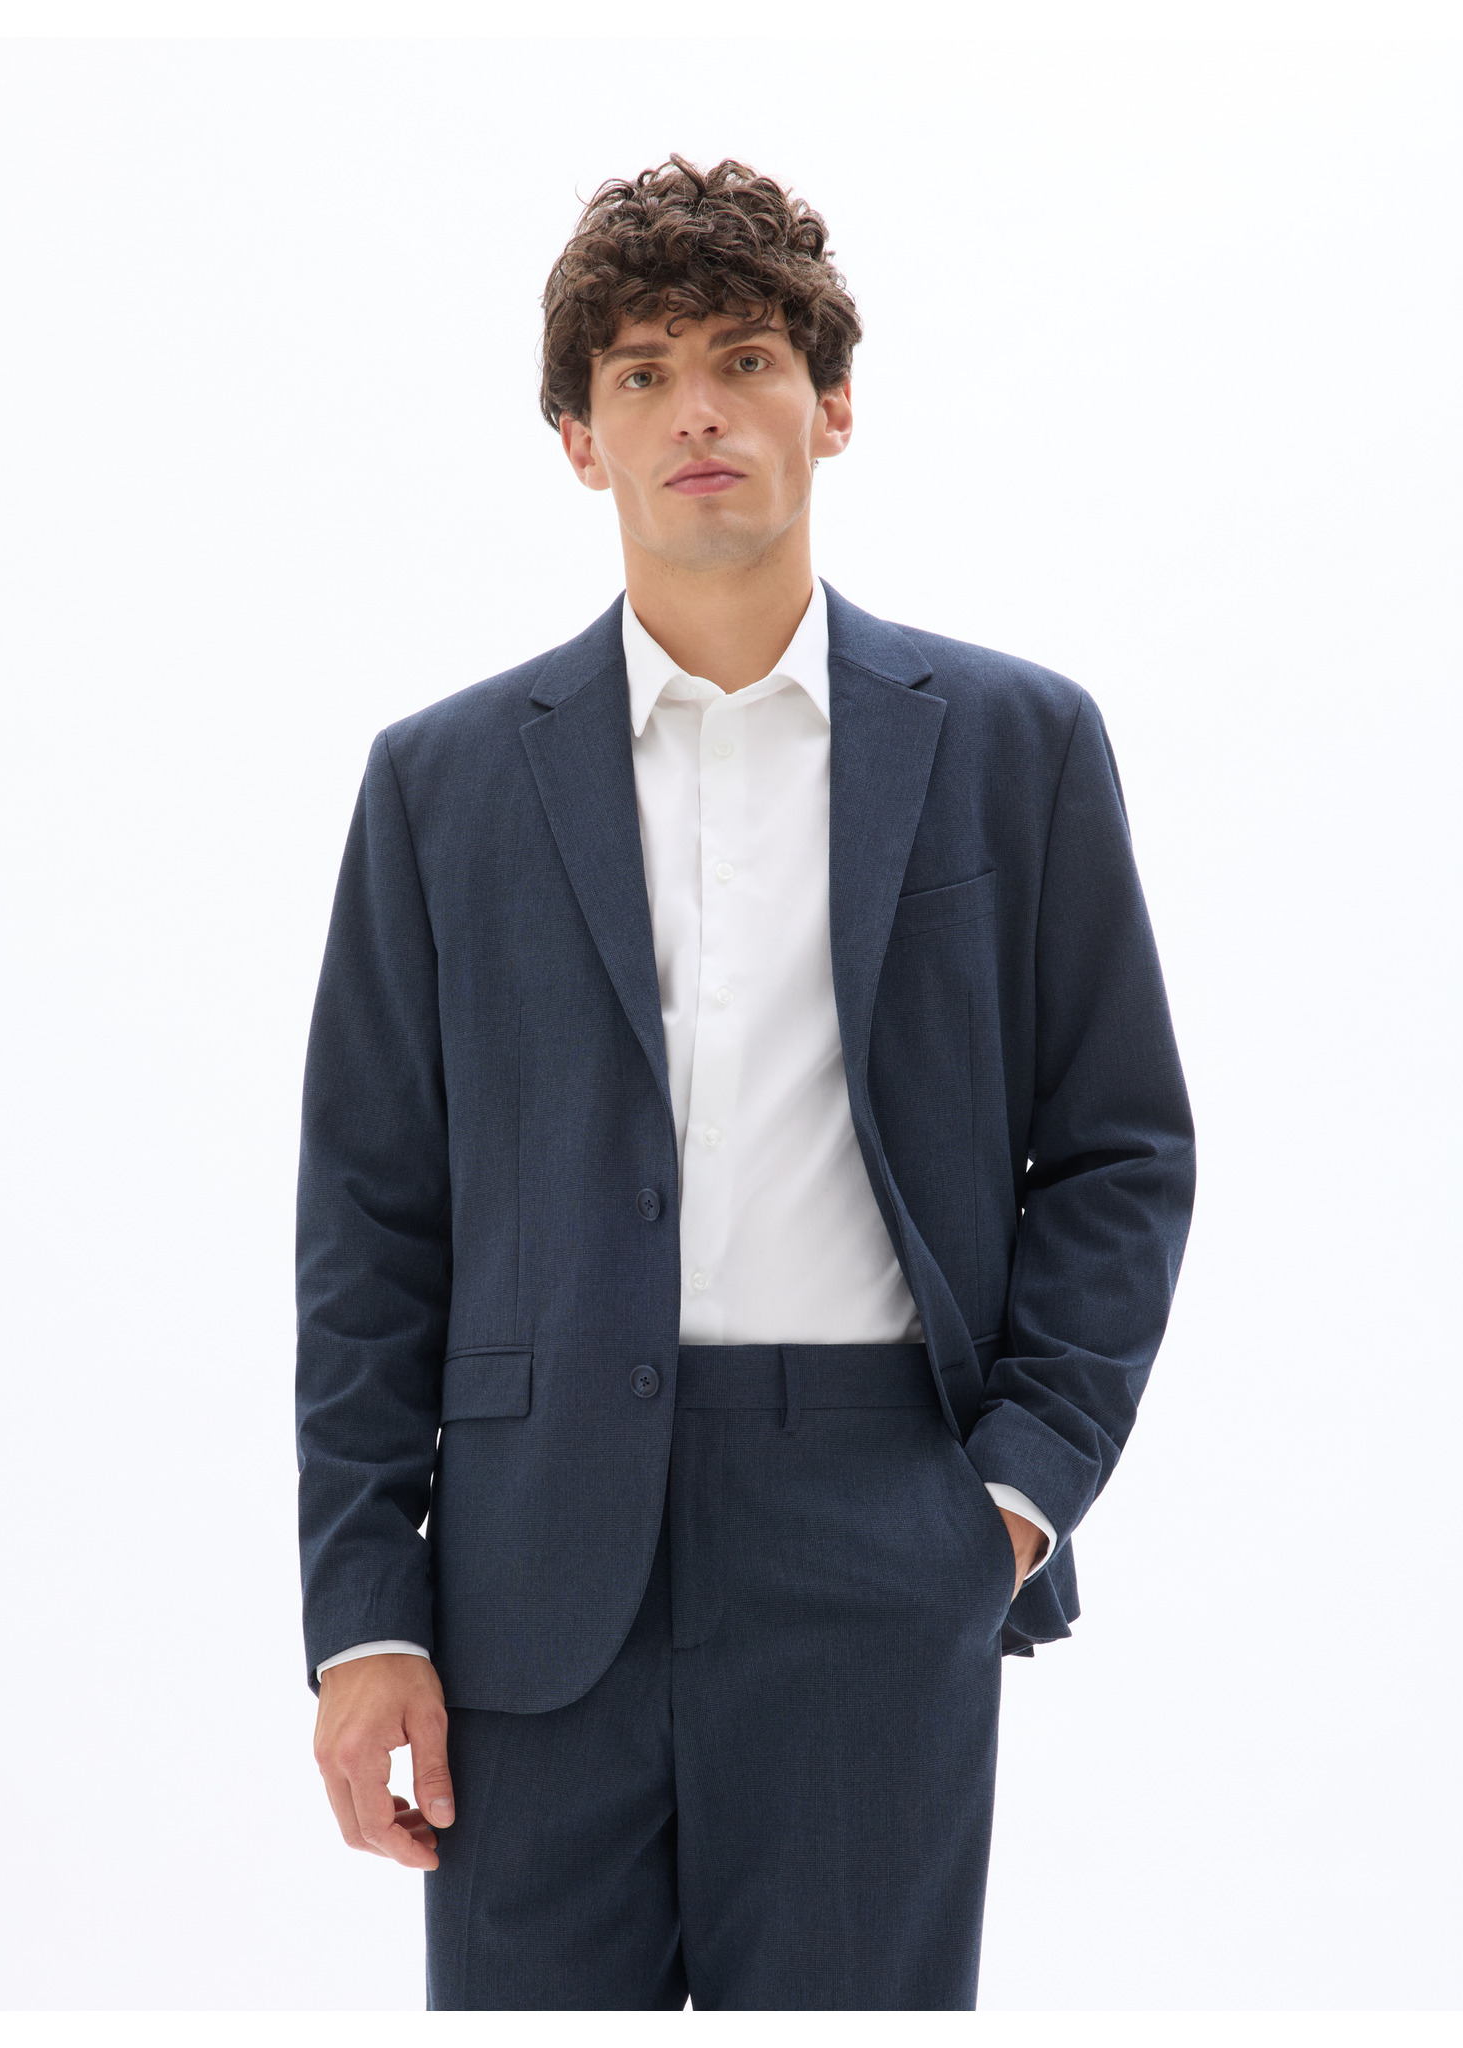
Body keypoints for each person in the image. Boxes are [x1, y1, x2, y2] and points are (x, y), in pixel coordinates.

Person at [295, 155, 1195, 2011]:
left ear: (831, 404)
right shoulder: (440, 787)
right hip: (532, 1573)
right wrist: (364, 1614)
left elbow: (1120, 1149)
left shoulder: (1016, 746)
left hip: (879, 1533)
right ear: (580, 439)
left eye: (745, 358)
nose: (694, 409)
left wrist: (1012, 1497)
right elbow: (371, 1222)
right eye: (640, 373)